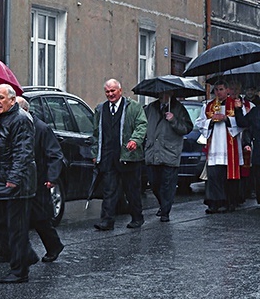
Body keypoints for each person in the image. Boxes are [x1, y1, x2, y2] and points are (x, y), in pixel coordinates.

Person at [0, 84, 38, 284]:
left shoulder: (20, 119)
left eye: (1, 98)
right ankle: (26, 255)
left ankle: (20, 270)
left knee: (17, 228)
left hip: (16, 184)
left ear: (12, 100)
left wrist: (14, 178)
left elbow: (23, 152)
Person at [91, 79, 147, 231]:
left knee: (132, 190)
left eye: (113, 91)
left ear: (120, 91)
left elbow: (142, 125)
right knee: (109, 190)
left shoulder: (133, 107)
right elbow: (96, 133)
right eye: (107, 92)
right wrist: (95, 153)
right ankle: (106, 221)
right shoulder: (101, 109)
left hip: (128, 156)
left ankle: (137, 217)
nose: (110, 94)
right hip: (109, 157)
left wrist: (135, 140)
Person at [17, 96, 65, 263]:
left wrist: (52, 177)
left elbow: (55, 155)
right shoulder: (17, 127)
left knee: (40, 218)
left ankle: (54, 245)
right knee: (21, 218)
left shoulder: (41, 128)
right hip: (22, 179)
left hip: (38, 179)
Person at [143, 92, 193, 222]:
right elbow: (142, 125)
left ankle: (165, 211)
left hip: (170, 152)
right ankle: (162, 204)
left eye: (165, 94)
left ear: (170, 94)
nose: (162, 96)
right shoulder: (150, 108)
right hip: (152, 152)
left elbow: (187, 128)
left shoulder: (178, 108)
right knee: (154, 183)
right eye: (160, 94)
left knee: (168, 184)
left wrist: (173, 120)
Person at [195, 80, 244, 213]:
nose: (218, 92)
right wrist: (211, 121)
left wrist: (227, 119)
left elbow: (242, 123)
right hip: (215, 146)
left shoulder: (235, 104)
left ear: (227, 90)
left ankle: (229, 203)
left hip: (230, 146)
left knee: (228, 177)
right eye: (216, 89)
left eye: (221, 89)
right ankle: (214, 203)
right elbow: (200, 123)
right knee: (214, 176)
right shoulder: (208, 105)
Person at [234, 97, 260, 204]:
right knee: (258, 174)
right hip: (258, 148)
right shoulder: (256, 111)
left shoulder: (256, 111)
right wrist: (238, 109)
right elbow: (242, 122)